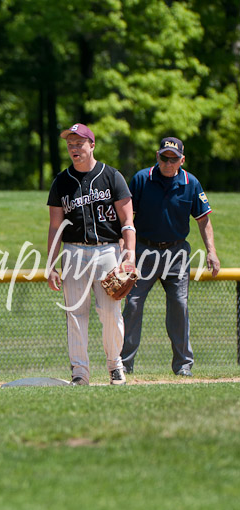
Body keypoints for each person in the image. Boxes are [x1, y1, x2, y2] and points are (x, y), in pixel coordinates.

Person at [120, 137, 220, 377]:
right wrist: (125, 252)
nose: (168, 162)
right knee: (132, 304)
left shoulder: (191, 183)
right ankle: (123, 363)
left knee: (179, 305)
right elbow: (127, 219)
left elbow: (203, 219)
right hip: (143, 250)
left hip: (176, 253)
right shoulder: (142, 179)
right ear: (157, 156)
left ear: (181, 160)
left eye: (173, 159)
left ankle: (183, 365)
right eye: (164, 157)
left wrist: (211, 251)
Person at [47, 123, 136, 386]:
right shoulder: (61, 182)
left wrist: (129, 253)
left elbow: (127, 219)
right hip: (73, 252)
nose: (74, 148)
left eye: (79, 143)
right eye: (70, 144)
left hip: (107, 251)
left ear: (92, 145)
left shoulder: (112, 176)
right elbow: (55, 226)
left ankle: (115, 365)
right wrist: (51, 264)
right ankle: (80, 373)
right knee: (75, 314)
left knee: (110, 313)